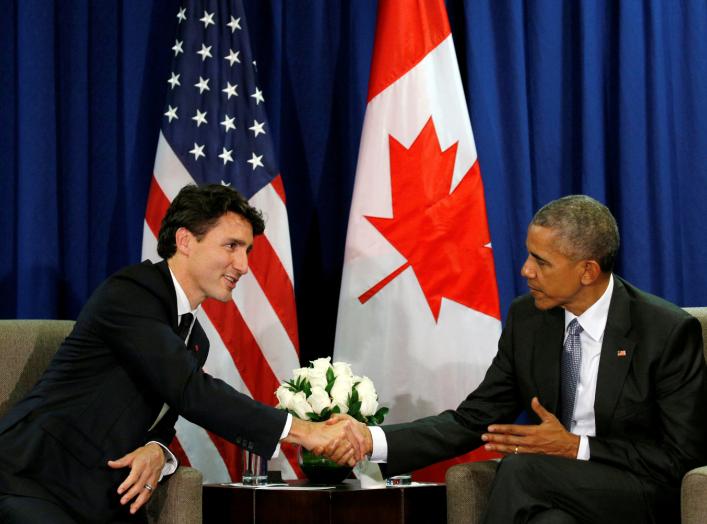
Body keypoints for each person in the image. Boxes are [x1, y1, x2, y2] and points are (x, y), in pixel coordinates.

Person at [327, 195, 707, 523]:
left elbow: (680, 457)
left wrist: (577, 447)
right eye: (529, 255)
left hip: (641, 492)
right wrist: (370, 439)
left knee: (520, 470)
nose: (526, 270)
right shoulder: (529, 320)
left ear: (587, 271)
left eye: (541, 262)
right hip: (557, 488)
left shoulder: (664, 331)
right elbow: (472, 420)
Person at [0, 184, 349, 523]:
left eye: (247, 251)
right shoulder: (132, 294)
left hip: (100, 498)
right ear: (185, 241)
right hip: (32, 482)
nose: (243, 265)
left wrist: (159, 452)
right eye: (231, 246)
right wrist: (304, 431)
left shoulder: (195, 338)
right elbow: (190, 391)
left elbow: (162, 420)